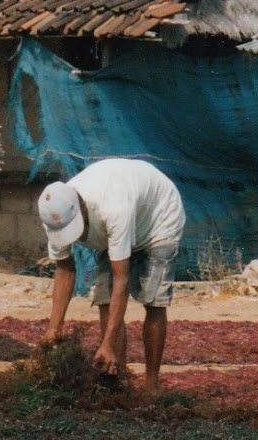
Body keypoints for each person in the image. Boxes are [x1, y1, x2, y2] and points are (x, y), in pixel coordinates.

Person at [38, 158, 185, 392]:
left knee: (153, 301)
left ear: (82, 208)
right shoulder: (54, 215)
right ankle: (119, 377)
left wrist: (106, 342)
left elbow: (122, 279)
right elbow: (65, 269)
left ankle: (151, 384)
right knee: (104, 300)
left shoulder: (112, 208)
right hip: (118, 220)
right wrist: (53, 330)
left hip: (159, 218)